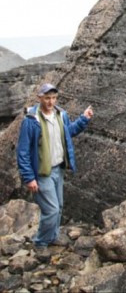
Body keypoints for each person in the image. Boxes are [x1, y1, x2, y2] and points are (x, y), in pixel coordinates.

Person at [17, 83, 93, 258]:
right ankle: (40, 242)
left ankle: (52, 236)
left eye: (53, 98)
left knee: (58, 207)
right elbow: (22, 151)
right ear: (40, 98)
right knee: (50, 210)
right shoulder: (31, 120)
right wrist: (29, 178)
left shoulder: (61, 115)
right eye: (47, 98)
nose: (50, 102)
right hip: (42, 172)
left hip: (58, 169)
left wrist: (84, 119)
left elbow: (69, 133)